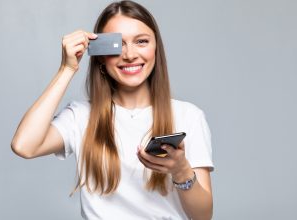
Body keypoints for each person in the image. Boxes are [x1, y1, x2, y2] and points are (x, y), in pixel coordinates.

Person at [11, 1, 214, 219]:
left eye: (141, 41)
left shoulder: (188, 116)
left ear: (156, 49)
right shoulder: (80, 117)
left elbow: (203, 216)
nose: (129, 54)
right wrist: (67, 69)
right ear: (100, 54)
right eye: (117, 45)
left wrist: (181, 170)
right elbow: (24, 146)